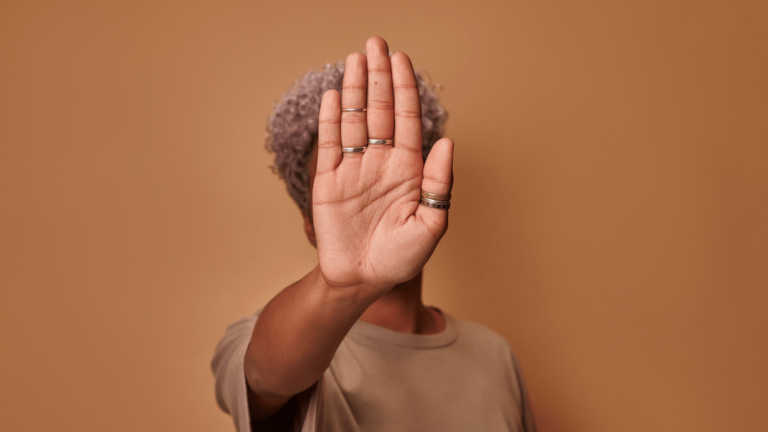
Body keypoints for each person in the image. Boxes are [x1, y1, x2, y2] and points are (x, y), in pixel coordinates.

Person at [211, 36, 536, 432]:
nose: (370, 194)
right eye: (341, 182)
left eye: (386, 168)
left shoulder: (495, 355)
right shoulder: (275, 342)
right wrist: (344, 285)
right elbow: (264, 376)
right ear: (310, 225)